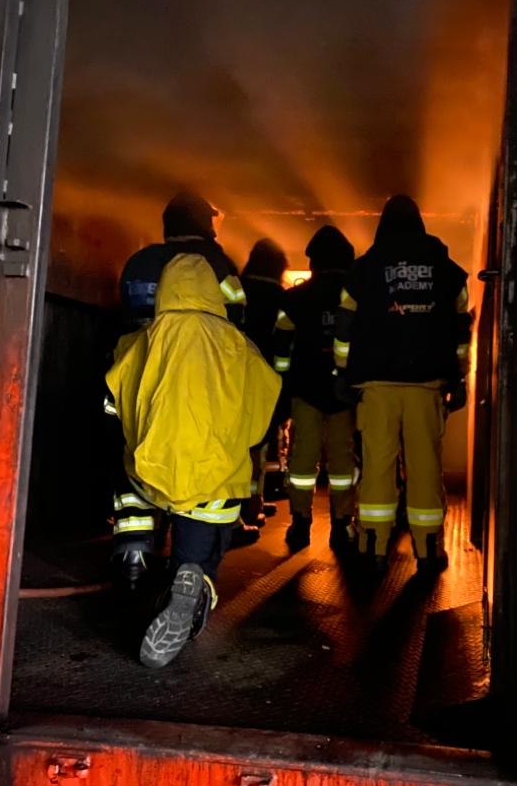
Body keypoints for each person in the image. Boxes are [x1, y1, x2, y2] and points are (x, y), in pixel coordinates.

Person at [105, 253, 281, 668]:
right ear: (213, 295)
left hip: (152, 474)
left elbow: (115, 408)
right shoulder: (241, 347)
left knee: (128, 478)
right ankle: (194, 581)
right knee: (200, 553)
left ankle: (133, 553)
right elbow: (260, 416)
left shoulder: (139, 341)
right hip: (212, 486)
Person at [334, 195, 470, 574]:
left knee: (377, 464)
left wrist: (342, 373)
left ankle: (373, 545)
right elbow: (461, 330)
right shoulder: (447, 272)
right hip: (426, 385)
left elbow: (344, 326)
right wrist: (459, 377)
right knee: (425, 465)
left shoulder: (363, 270)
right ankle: (428, 550)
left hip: (376, 385)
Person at [273, 226, 357, 553]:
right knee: (342, 460)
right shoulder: (357, 296)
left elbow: (281, 346)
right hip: (343, 393)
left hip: (305, 390)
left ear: (313, 262)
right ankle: (342, 525)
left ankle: (300, 522)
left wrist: (283, 383)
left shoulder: (293, 298)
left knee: (302, 458)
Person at [119, 191, 246, 329]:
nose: (214, 233)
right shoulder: (218, 264)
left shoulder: (141, 261)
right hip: (200, 341)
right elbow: (235, 312)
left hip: (144, 341)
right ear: (203, 225)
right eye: (210, 224)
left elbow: (126, 311)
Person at [240, 239, 289, 519]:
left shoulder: (238, 288)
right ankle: (253, 503)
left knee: (237, 443)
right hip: (266, 380)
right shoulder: (280, 298)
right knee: (258, 444)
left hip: (234, 377)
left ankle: (244, 504)